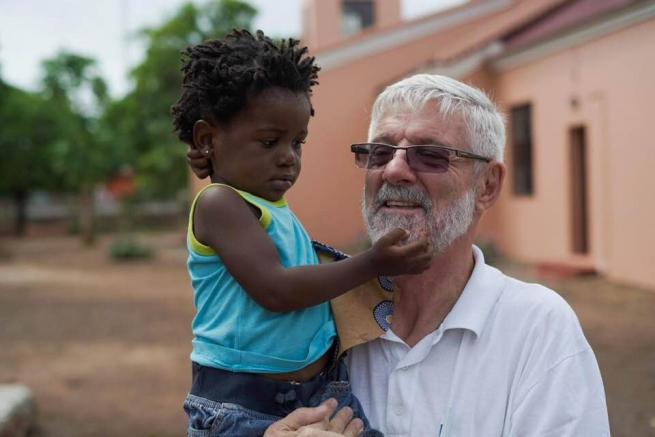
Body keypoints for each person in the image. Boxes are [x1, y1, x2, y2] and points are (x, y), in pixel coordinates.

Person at [189, 73, 610, 436]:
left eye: (431, 155)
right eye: (380, 152)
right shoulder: (319, 314)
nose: (393, 170)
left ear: (487, 186)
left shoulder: (537, 329)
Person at [171, 29, 434, 437]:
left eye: (298, 143)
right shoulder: (219, 204)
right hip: (242, 403)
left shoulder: (270, 208)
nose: (288, 158)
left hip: (322, 391)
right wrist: (373, 262)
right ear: (208, 139)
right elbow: (278, 290)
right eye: (270, 141)